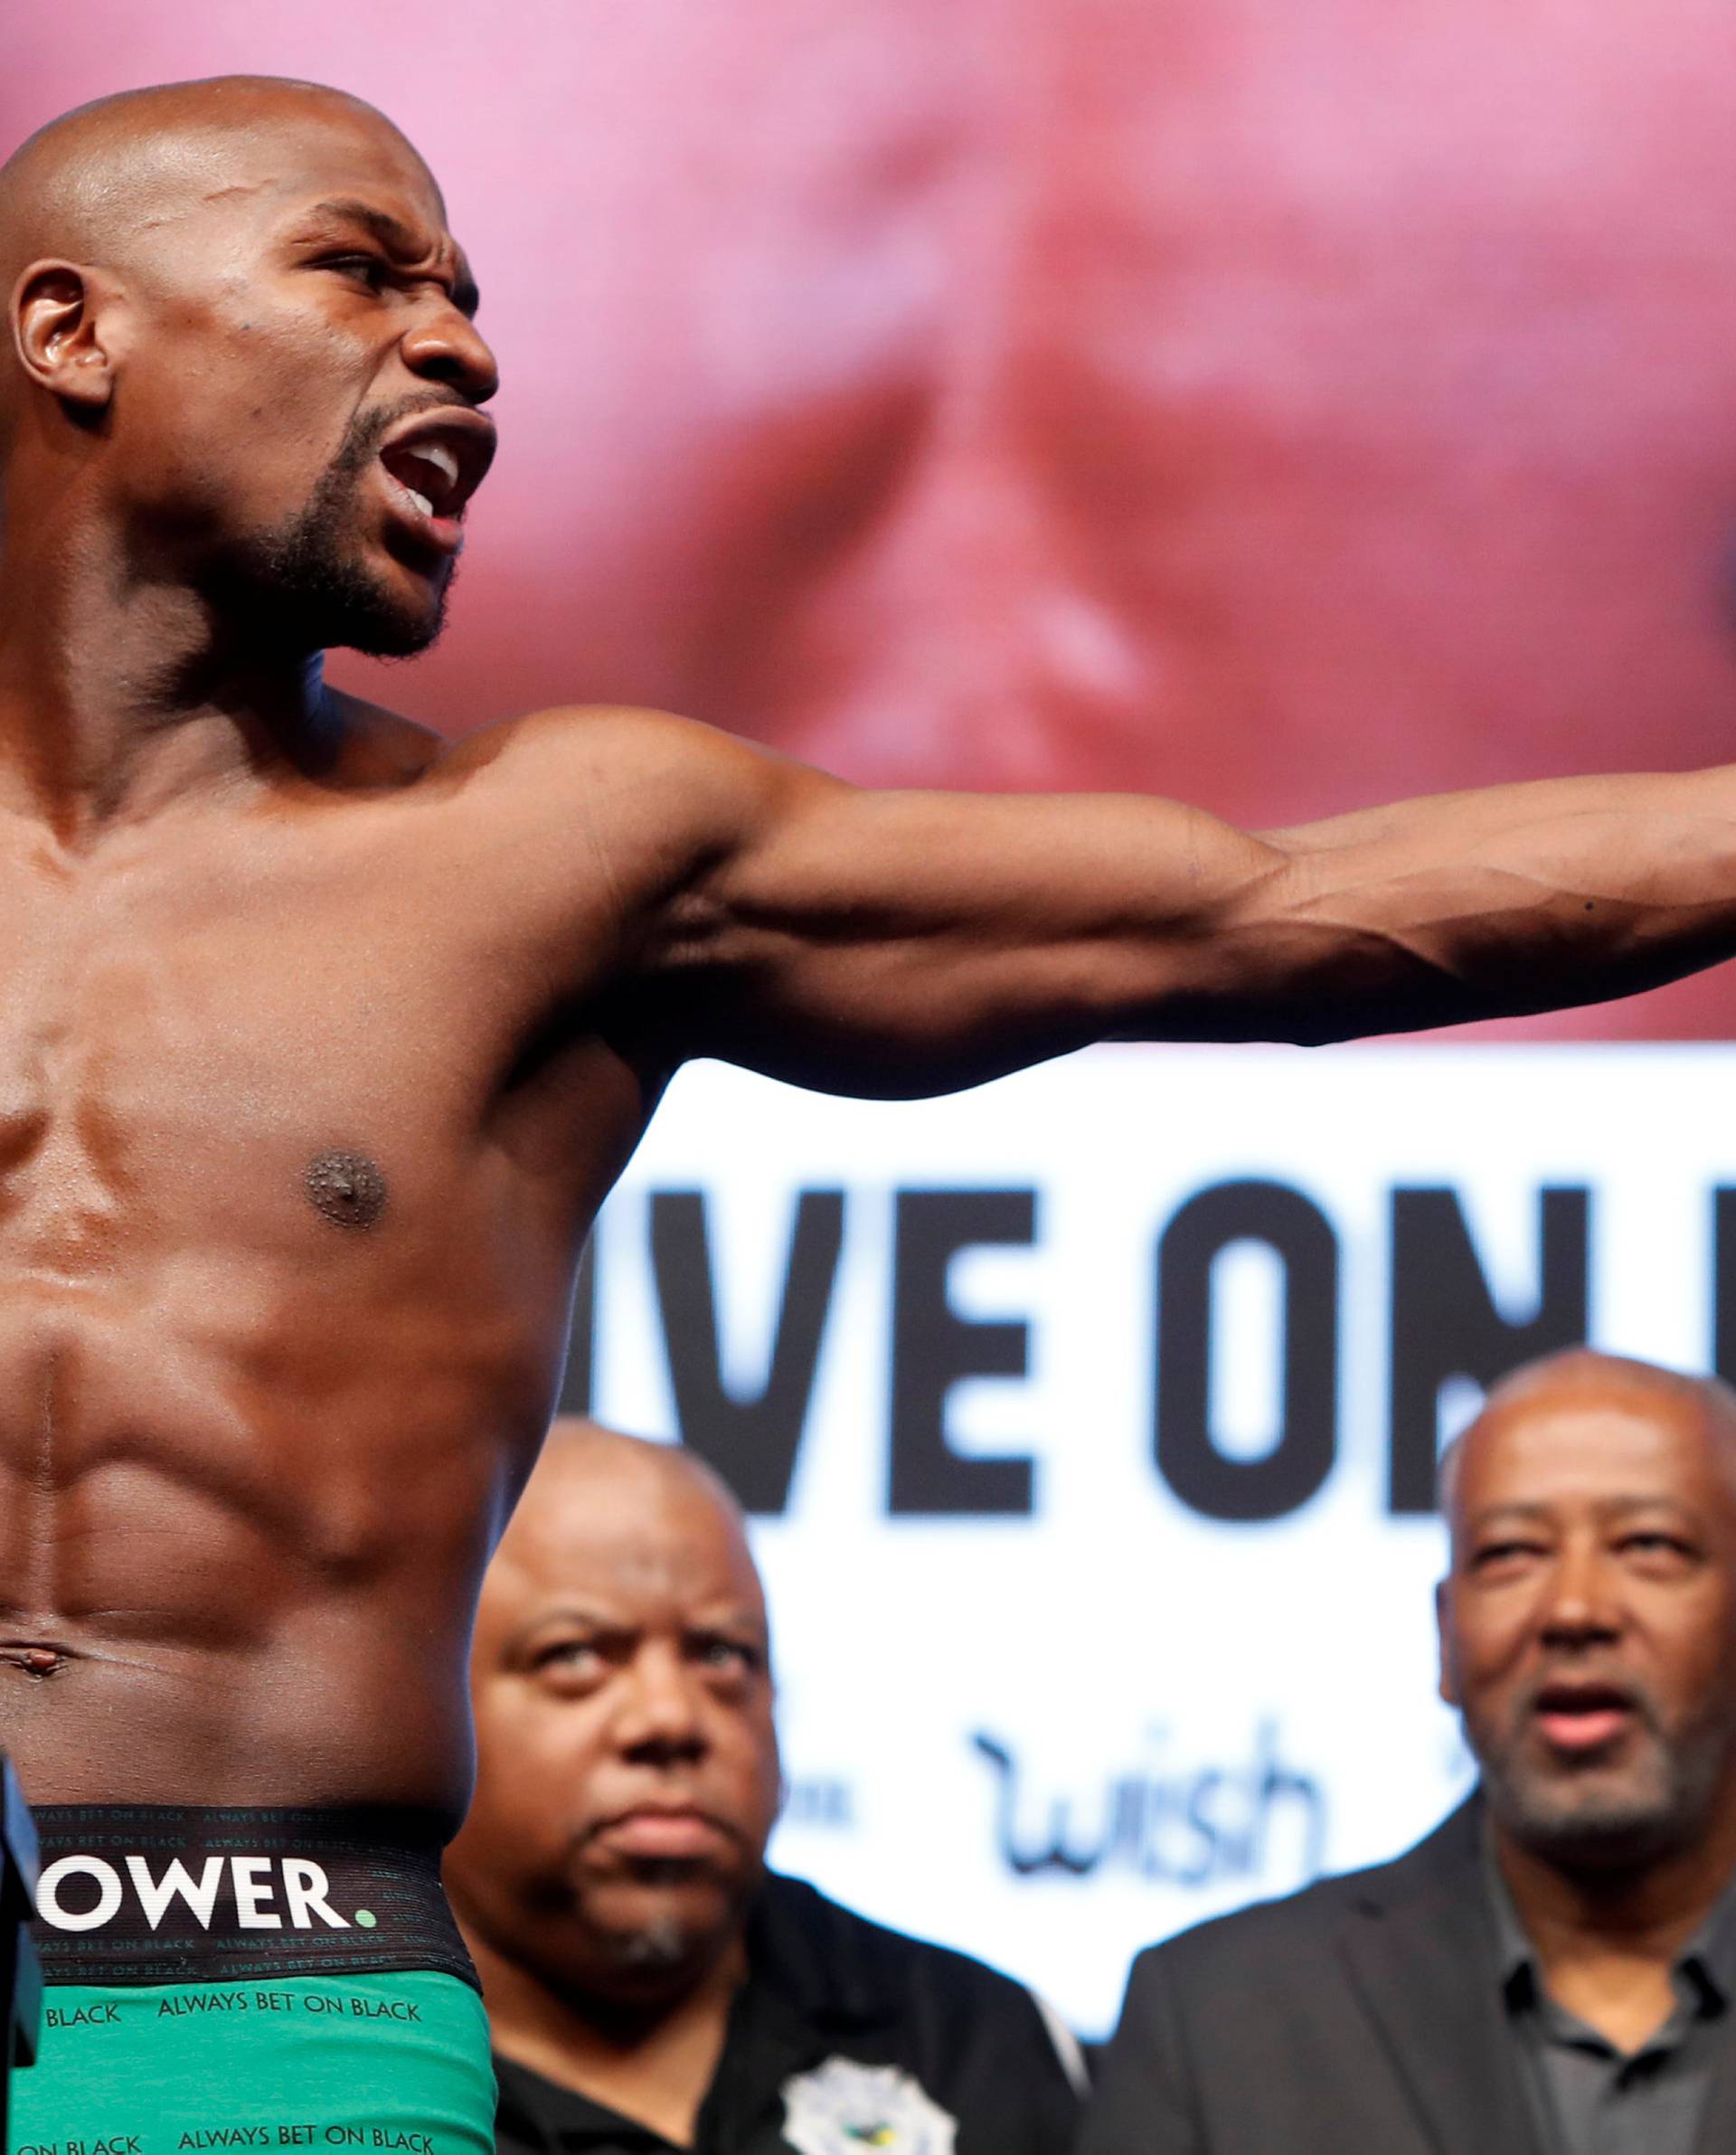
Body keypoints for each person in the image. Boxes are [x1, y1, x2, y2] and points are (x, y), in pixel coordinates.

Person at [6, 66, 1736, 2145]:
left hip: (281, 2015)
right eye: (359, 273)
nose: (456, 341)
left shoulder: (540, 860)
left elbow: (1281, 911)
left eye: (463, 297)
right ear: (70, 329)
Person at [1080, 1348, 1736, 2153]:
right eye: (1511, 1553)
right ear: (1445, 1638)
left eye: (1647, 1544)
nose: (1574, 1608)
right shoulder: (1221, 2018)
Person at [445, 1418, 1085, 2153]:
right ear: (426, 1710)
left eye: (721, 1654)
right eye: (577, 1654)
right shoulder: (339, 2083)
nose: (671, 1716)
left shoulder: (972, 2041)